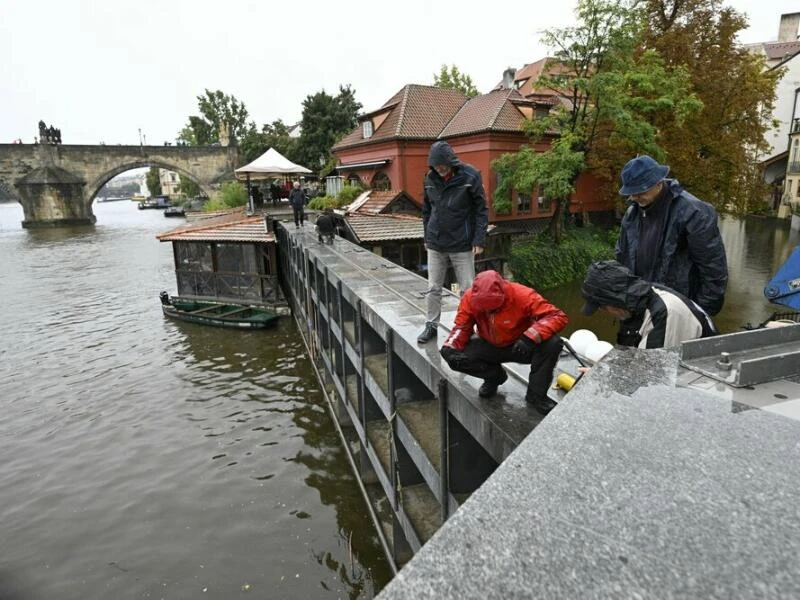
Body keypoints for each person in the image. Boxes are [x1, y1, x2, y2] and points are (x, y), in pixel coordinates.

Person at [439, 270, 568, 416]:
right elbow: (462, 327)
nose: (488, 310)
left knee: (553, 343)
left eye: (493, 306)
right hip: (488, 344)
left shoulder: (523, 294)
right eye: (484, 307)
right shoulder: (468, 298)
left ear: (503, 292)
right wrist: (449, 347)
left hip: (521, 345)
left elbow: (557, 316)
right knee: (455, 356)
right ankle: (493, 377)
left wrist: (531, 336)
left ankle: (536, 396)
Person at [615, 155, 727, 317]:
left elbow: (713, 268)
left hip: (679, 307)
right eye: (631, 193)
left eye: (640, 191)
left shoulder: (694, 212)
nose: (634, 197)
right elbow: (621, 256)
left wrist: (701, 312)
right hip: (640, 304)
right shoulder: (632, 213)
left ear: (659, 183)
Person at [418, 140, 489, 345]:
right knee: (433, 287)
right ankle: (431, 325)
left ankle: (467, 327)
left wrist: (479, 239)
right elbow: (426, 211)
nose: (439, 169)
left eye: (442, 165)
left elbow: (481, 210)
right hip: (436, 242)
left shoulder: (470, 176)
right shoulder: (430, 179)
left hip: (461, 242)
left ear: (451, 162)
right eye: (436, 166)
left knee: (467, 290)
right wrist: (426, 237)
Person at [581, 260, 717, 349]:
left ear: (614, 302)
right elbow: (627, 353)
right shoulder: (631, 304)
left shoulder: (664, 313)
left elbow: (650, 372)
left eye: (602, 307)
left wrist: (603, 373)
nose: (603, 312)